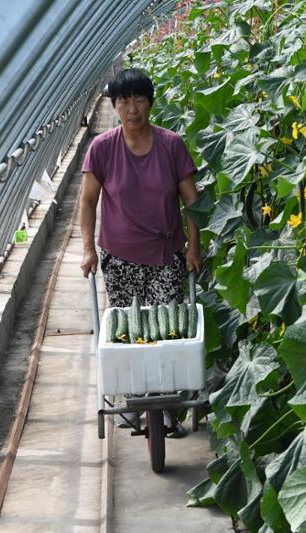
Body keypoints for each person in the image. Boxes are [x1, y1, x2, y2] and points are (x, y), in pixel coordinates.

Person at [80, 68, 202, 436]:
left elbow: (192, 201)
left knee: (167, 332)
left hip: (166, 254)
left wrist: (194, 248)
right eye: (124, 101)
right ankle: (133, 402)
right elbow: (87, 201)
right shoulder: (102, 148)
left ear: (150, 103)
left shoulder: (171, 145)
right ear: (114, 106)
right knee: (128, 334)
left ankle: (165, 407)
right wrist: (88, 249)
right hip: (119, 257)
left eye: (139, 99)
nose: (132, 109)